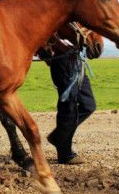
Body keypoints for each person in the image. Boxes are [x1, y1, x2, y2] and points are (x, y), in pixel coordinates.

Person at [41, 29, 99, 165]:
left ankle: (58, 136)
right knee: (68, 108)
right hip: (63, 61)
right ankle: (65, 154)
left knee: (88, 105)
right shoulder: (56, 13)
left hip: (77, 60)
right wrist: (63, 48)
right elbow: (47, 33)